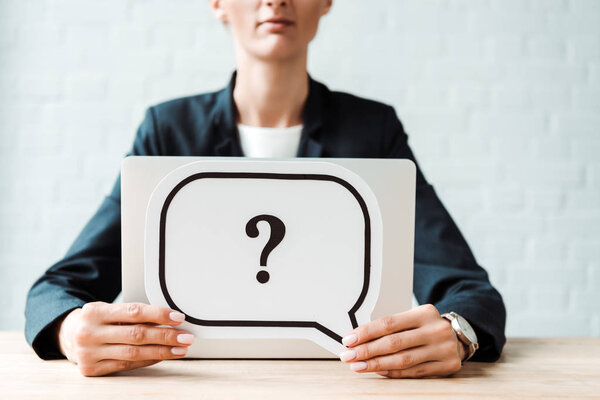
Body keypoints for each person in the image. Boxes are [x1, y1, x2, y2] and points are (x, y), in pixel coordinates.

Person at [24, 0, 506, 378]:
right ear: (217, 2)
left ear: (326, 1)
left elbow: (468, 288)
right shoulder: (169, 131)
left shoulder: (372, 130)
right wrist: (69, 331)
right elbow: (58, 287)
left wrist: (458, 333)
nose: (275, 0)